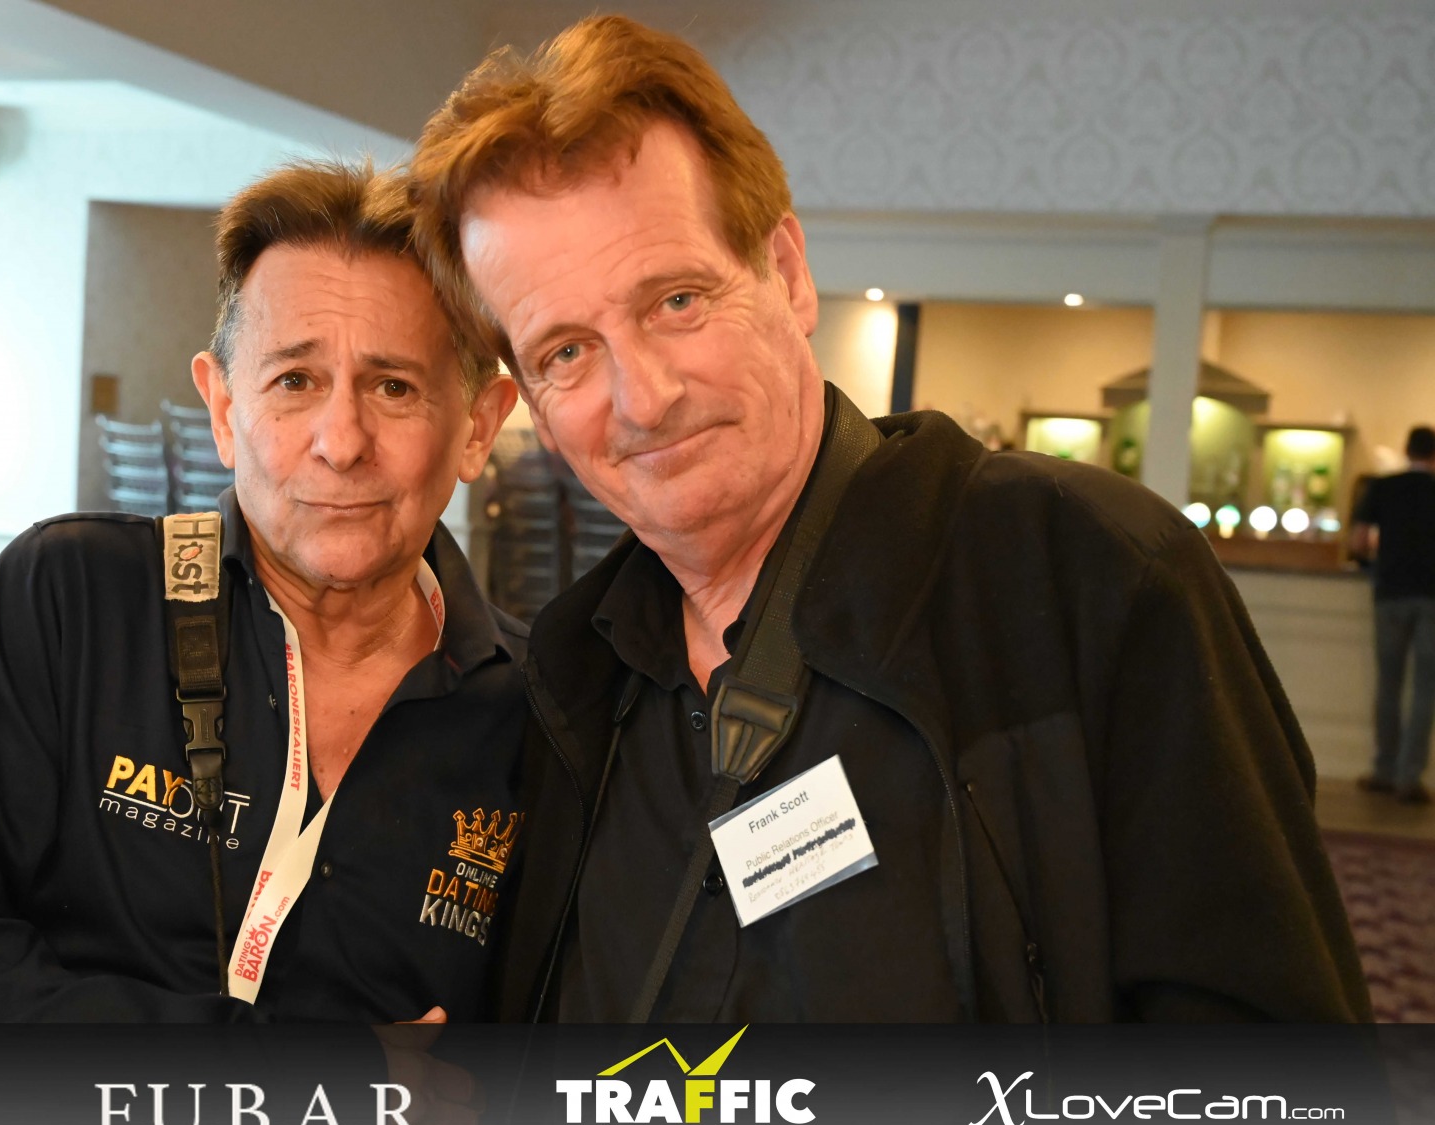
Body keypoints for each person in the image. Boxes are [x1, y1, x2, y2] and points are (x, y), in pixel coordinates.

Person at [409, 15, 1371, 1021]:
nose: (642, 398)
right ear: (533, 402)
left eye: (677, 301)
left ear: (787, 274)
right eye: (566, 352)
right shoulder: (573, 677)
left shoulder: (1083, 578)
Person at [0, 161, 526, 1023]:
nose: (341, 441)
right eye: (294, 381)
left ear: (477, 426)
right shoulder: (69, 600)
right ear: (224, 411)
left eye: (394, 387)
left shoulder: (543, 711)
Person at [1350, 426, 1435, 805]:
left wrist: (1372, 566)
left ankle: (1384, 769)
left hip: (1390, 593)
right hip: (1432, 596)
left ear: (1406, 450)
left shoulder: (1382, 487)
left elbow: (1358, 541)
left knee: (1389, 685)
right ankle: (1409, 777)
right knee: (1425, 689)